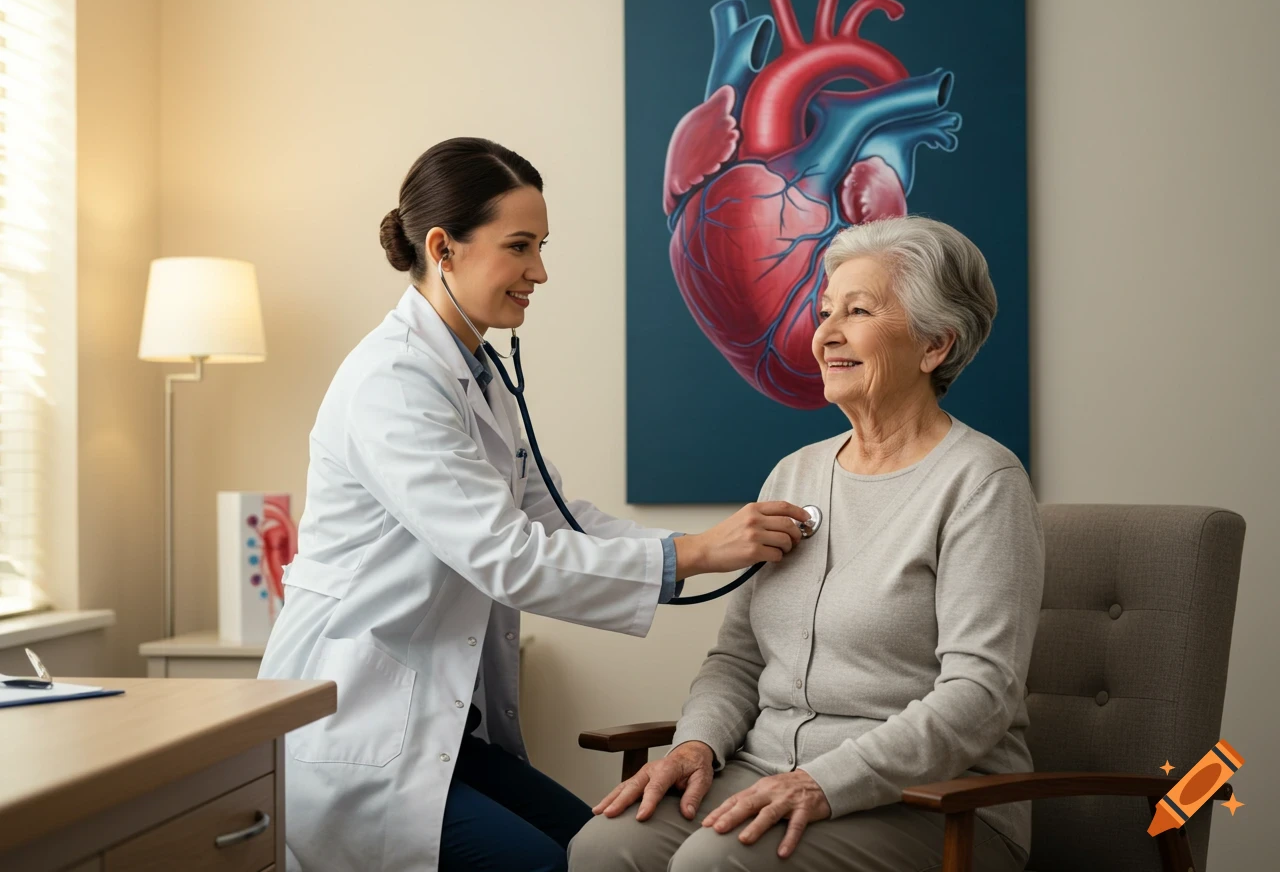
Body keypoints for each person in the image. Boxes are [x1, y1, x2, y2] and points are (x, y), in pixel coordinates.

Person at [257, 137, 811, 872]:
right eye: (519, 247)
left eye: (541, 246)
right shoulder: (390, 383)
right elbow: (506, 557)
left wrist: (710, 540)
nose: (539, 272)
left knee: (595, 847)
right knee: (554, 864)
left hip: (437, 730)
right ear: (442, 249)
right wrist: (700, 552)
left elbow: (553, 519)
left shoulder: (477, 372)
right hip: (360, 729)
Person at [569, 216, 1044, 872]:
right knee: (603, 849)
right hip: (765, 769)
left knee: (714, 865)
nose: (826, 334)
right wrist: (696, 744)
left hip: (932, 800)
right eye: (825, 312)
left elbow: (980, 692)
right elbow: (737, 659)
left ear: (935, 344)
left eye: (858, 311)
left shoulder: (983, 481)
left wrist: (827, 782)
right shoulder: (794, 472)